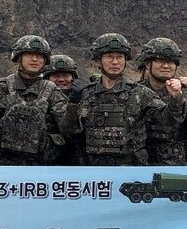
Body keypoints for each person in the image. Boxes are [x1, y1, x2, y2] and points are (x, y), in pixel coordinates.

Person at [62, 33, 164, 166]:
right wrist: (73, 104)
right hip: (93, 172)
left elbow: (166, 121)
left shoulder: (140, 93)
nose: (115, 62)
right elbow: (69, 133)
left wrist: (176, 99)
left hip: (130, 170)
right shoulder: (86, 94)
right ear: (98, 60)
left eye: (120, 57)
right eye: (109, 56)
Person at [0, 35, 67, 165]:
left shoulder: (52, 92)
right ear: (18, 57)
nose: (34, 59)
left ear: (45, 60)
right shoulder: (2, 88)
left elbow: (67, 130)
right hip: (4, 162)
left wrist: (73, 106)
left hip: (40, 165)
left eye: (39, 56)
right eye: (29, 55)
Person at [132, 37, 187, 165]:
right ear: (148, 64)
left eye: (170, 62)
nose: (165, 66)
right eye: (160, 61)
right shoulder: (134, 93)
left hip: (176, 167)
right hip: (140, 166)